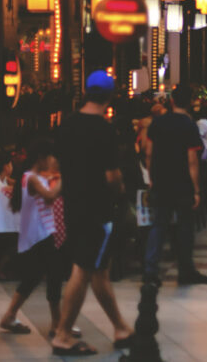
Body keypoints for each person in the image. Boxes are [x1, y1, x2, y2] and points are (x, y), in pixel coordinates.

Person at [51, 71, 133, 356]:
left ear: (86, 91)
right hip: (97, 208)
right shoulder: (105, 129)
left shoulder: (68, 124)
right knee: (85, 269)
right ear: (110, 96)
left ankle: (121, 328)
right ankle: (62, 334)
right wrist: (121, 185)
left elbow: (61, 163)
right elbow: (111, 176)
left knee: (98, 270)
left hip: (72, 204)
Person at [144, 85, 207, 286]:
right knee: (184, 227)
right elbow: (192, 160)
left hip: (161, 182)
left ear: (172, 101)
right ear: (190, 102)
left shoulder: (157, 123)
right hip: (182, 183)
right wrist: (196, 189)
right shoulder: (189, 126)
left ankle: (150, 271)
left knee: (159, 226)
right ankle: (185, 270)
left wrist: (151, 177)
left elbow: (148, 152)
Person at [0, 138, 63, 336]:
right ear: (42, 158)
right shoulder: (32, 178)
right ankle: (56, 324)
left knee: (33, 278)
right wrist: (63, 178)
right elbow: (50, 196)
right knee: (52, 277)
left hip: (39, 235)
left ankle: (10, 316)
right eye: (51, 157)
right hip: (40, 235)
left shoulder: (31, 177)